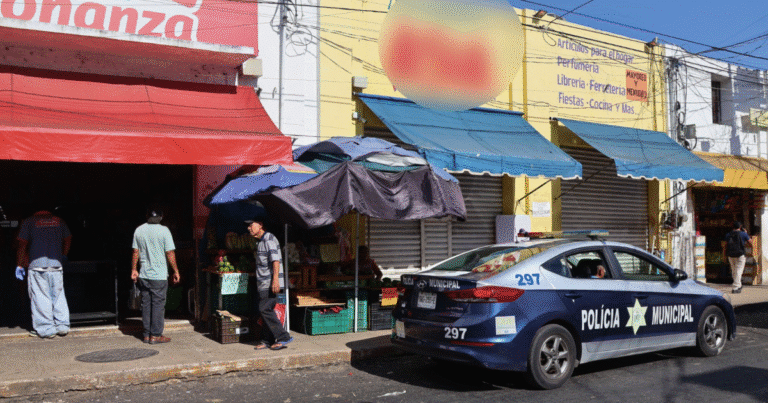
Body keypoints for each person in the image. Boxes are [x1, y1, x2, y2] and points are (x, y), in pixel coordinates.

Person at [16, 209, 72, 339]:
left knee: (40, 297)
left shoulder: (29, 221)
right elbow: (68, 238)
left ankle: (46, 329)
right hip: (56, 265)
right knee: (58, 296)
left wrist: (19, 264)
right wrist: (64, 254)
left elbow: (22, 243)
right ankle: (62, 326)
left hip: (37, 266)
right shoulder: (59, 221)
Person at [131, 209, 180, 344]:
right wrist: (176, 270)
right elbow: (170, 252)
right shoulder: (164, 231)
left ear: (147, 217)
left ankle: (146, 334)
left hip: (144, 275)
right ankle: (156, 335)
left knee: (146, 304)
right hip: (159, 276)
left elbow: (136, 251)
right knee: (158, 305)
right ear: (161, 217)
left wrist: (134, 269)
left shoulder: (139, 230)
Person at [246, 218, 292, 351]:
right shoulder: (260, 241)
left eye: (251, 225)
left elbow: (275, 261)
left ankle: (283, 336)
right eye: (248, 226)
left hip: (271, 283)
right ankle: (267, 340)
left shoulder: (269, 239)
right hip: (263, 283)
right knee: (266, 311)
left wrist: (276, 280)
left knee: (264, 309)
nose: (249, 228)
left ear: (260, 224)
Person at [723, 221, 751, 294]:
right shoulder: (743, 234)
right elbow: (751, 242)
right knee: (738, 271)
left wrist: (724, 255)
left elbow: (725, 245)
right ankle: (735, 287)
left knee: (734, 270)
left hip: (730, 255)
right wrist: (746, 234)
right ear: (740, 227)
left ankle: (739, 285)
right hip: (740, 254)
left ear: (732, 226)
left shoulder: (728, 234)